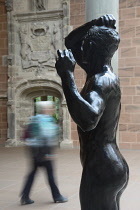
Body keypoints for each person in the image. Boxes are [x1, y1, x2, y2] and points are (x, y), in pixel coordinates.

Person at [55, 15, 129, 210]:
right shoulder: (101, 72)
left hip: (101, 168)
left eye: (86, 45)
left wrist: (67, 77)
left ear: (94, 50)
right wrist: (95, 23)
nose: (81, 49)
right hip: (111, 165)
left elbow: (88, 120)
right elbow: (70, 42)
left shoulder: (100, 81)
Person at [20, 101, 68, 205]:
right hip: (43, 154)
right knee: (50, 176)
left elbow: (28, 137)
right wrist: (49, 154)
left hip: (35, 153)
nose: (52, 110)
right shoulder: (45, 121)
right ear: (45, 109)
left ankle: (25, 196)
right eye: (50, 108)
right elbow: (47, 139)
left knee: (32, 174)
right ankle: (57, 196)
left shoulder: (34, 119)